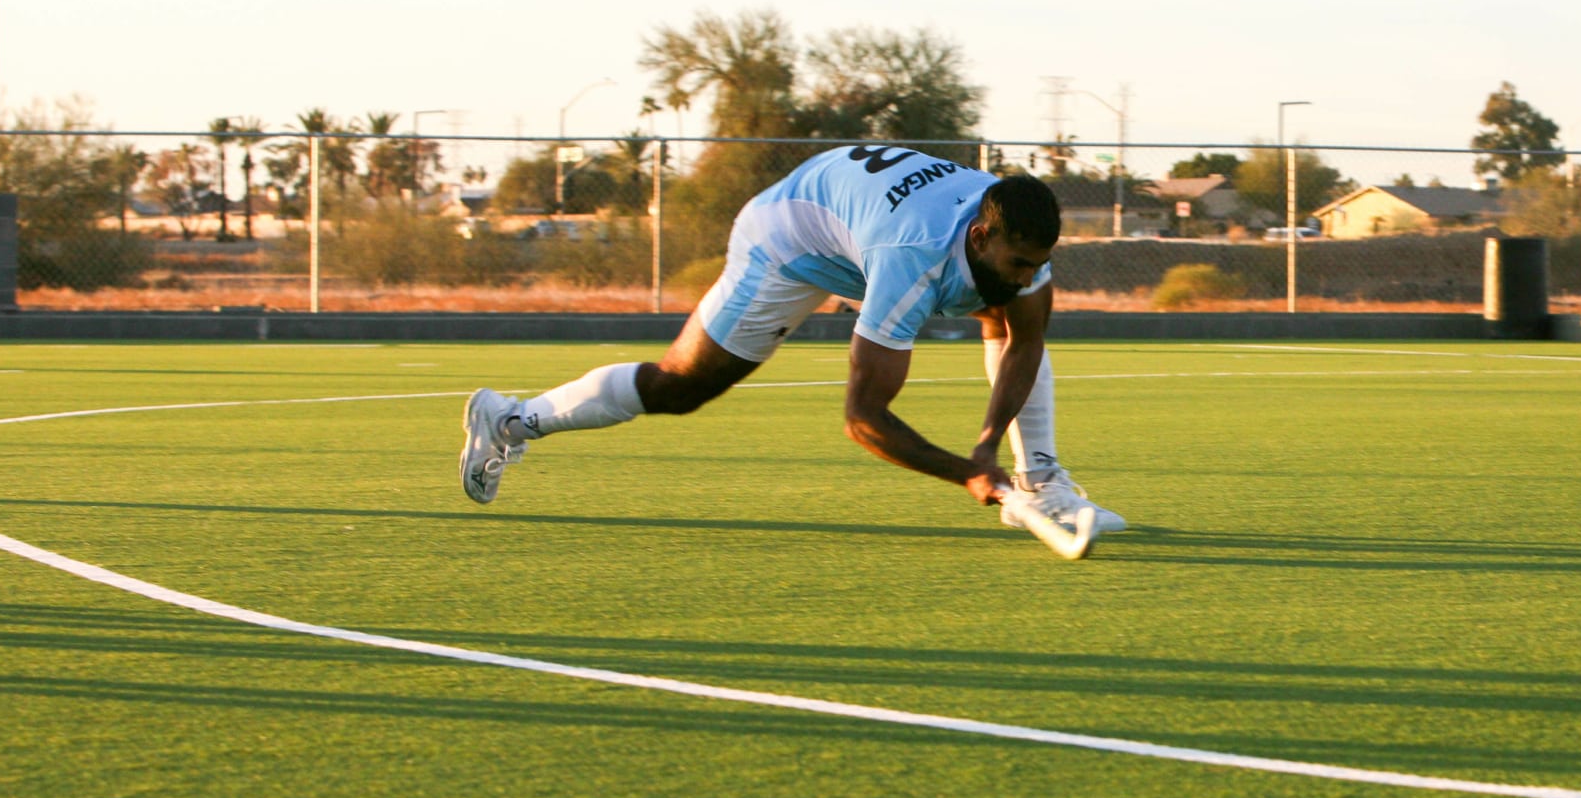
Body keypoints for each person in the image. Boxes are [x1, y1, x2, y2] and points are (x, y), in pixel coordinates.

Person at [457, 146, 1125, 557]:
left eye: (1036, 265)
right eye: (1015, 263)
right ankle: (510, 417)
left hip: (858, 224)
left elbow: (1025, 340)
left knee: (1005, 316)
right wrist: (968, 473)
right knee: (681, 385)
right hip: (788, 240)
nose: (1025, 276)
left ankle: (1043, 478)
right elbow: (864, 417)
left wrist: (990, 445)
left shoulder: (1022, 248)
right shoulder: (911, 257)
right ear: (980, 236)